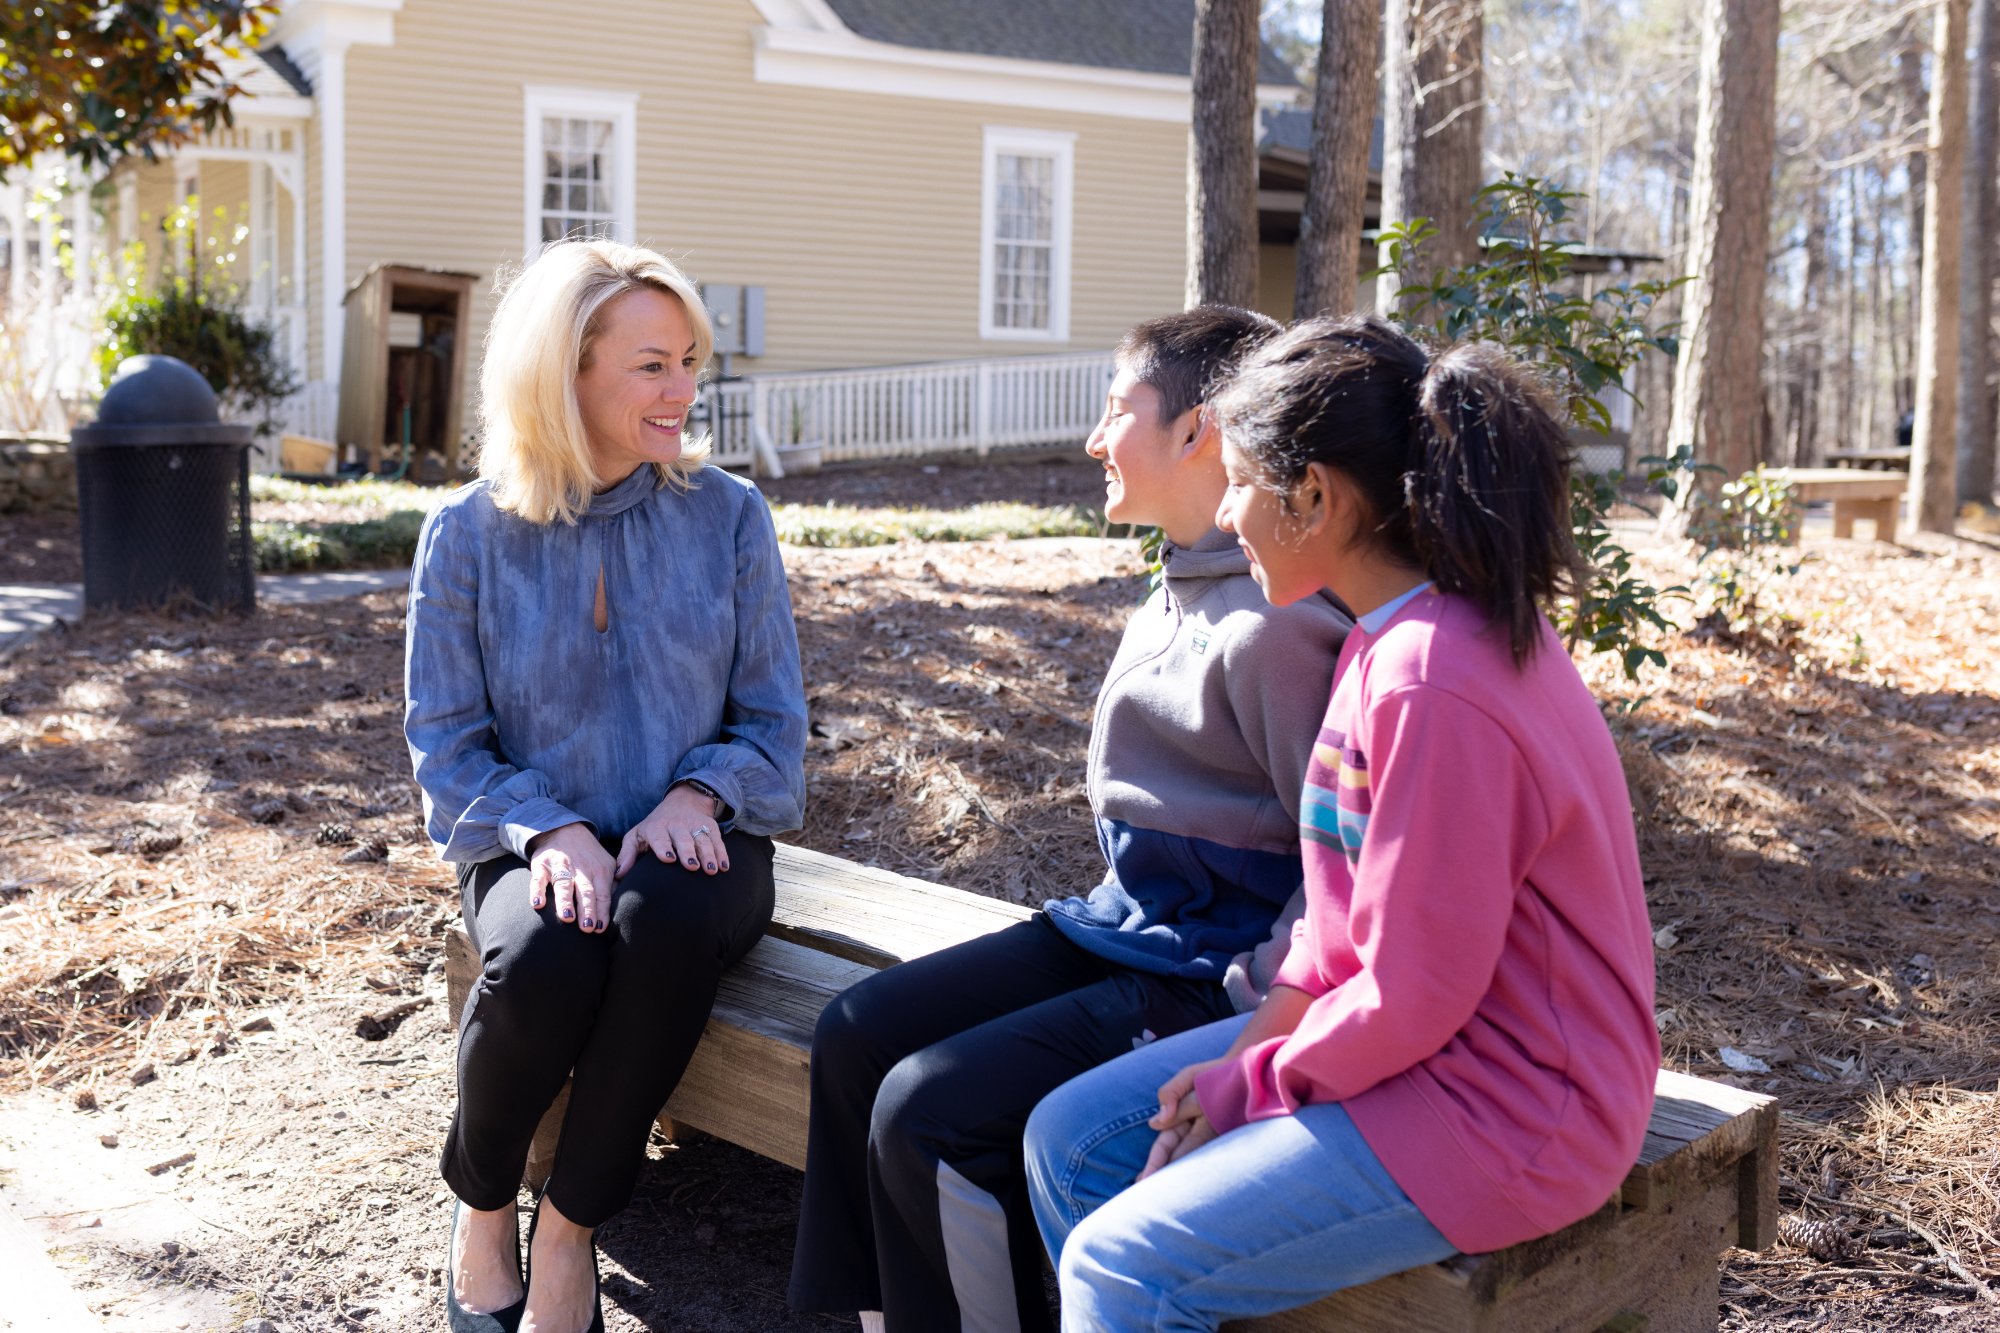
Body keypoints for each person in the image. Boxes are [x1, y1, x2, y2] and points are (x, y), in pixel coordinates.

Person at [1023, 315, 1662, 1332]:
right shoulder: (1385, 635)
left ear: (1313, 494)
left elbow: (1414, 993)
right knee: (1073, 1142)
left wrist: (1250, 1087)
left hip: (1516, 1109)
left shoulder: (1431, 680)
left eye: (1238, 482)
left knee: (1119, 1267)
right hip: (1431, 1055)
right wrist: (1253, 1053)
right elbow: (1333, 929)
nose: (1224, 512)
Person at [787, 306, 1352, 1333]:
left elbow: (1340, 864)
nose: (1093, 440)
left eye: (1113, 411)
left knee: (930, 1114)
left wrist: (1254, 1013)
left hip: (1202, 973)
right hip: (1122, 927)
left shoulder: (1274, 624)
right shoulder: (1183, 582)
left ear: (1199, 429)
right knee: (854, 1030)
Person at [404, 239, 807, 1333]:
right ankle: (484, 1203)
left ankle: (573, 1227)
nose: (683, 390)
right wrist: (544, 829)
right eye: (650, 366)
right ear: (564, 372)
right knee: (545, 953)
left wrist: (699, 793)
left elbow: (775, 729)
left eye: (689, 361)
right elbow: (444, 745)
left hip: (705, 846)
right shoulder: (467, 536)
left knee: (659, 918)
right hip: (525, 838)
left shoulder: (727, 515)